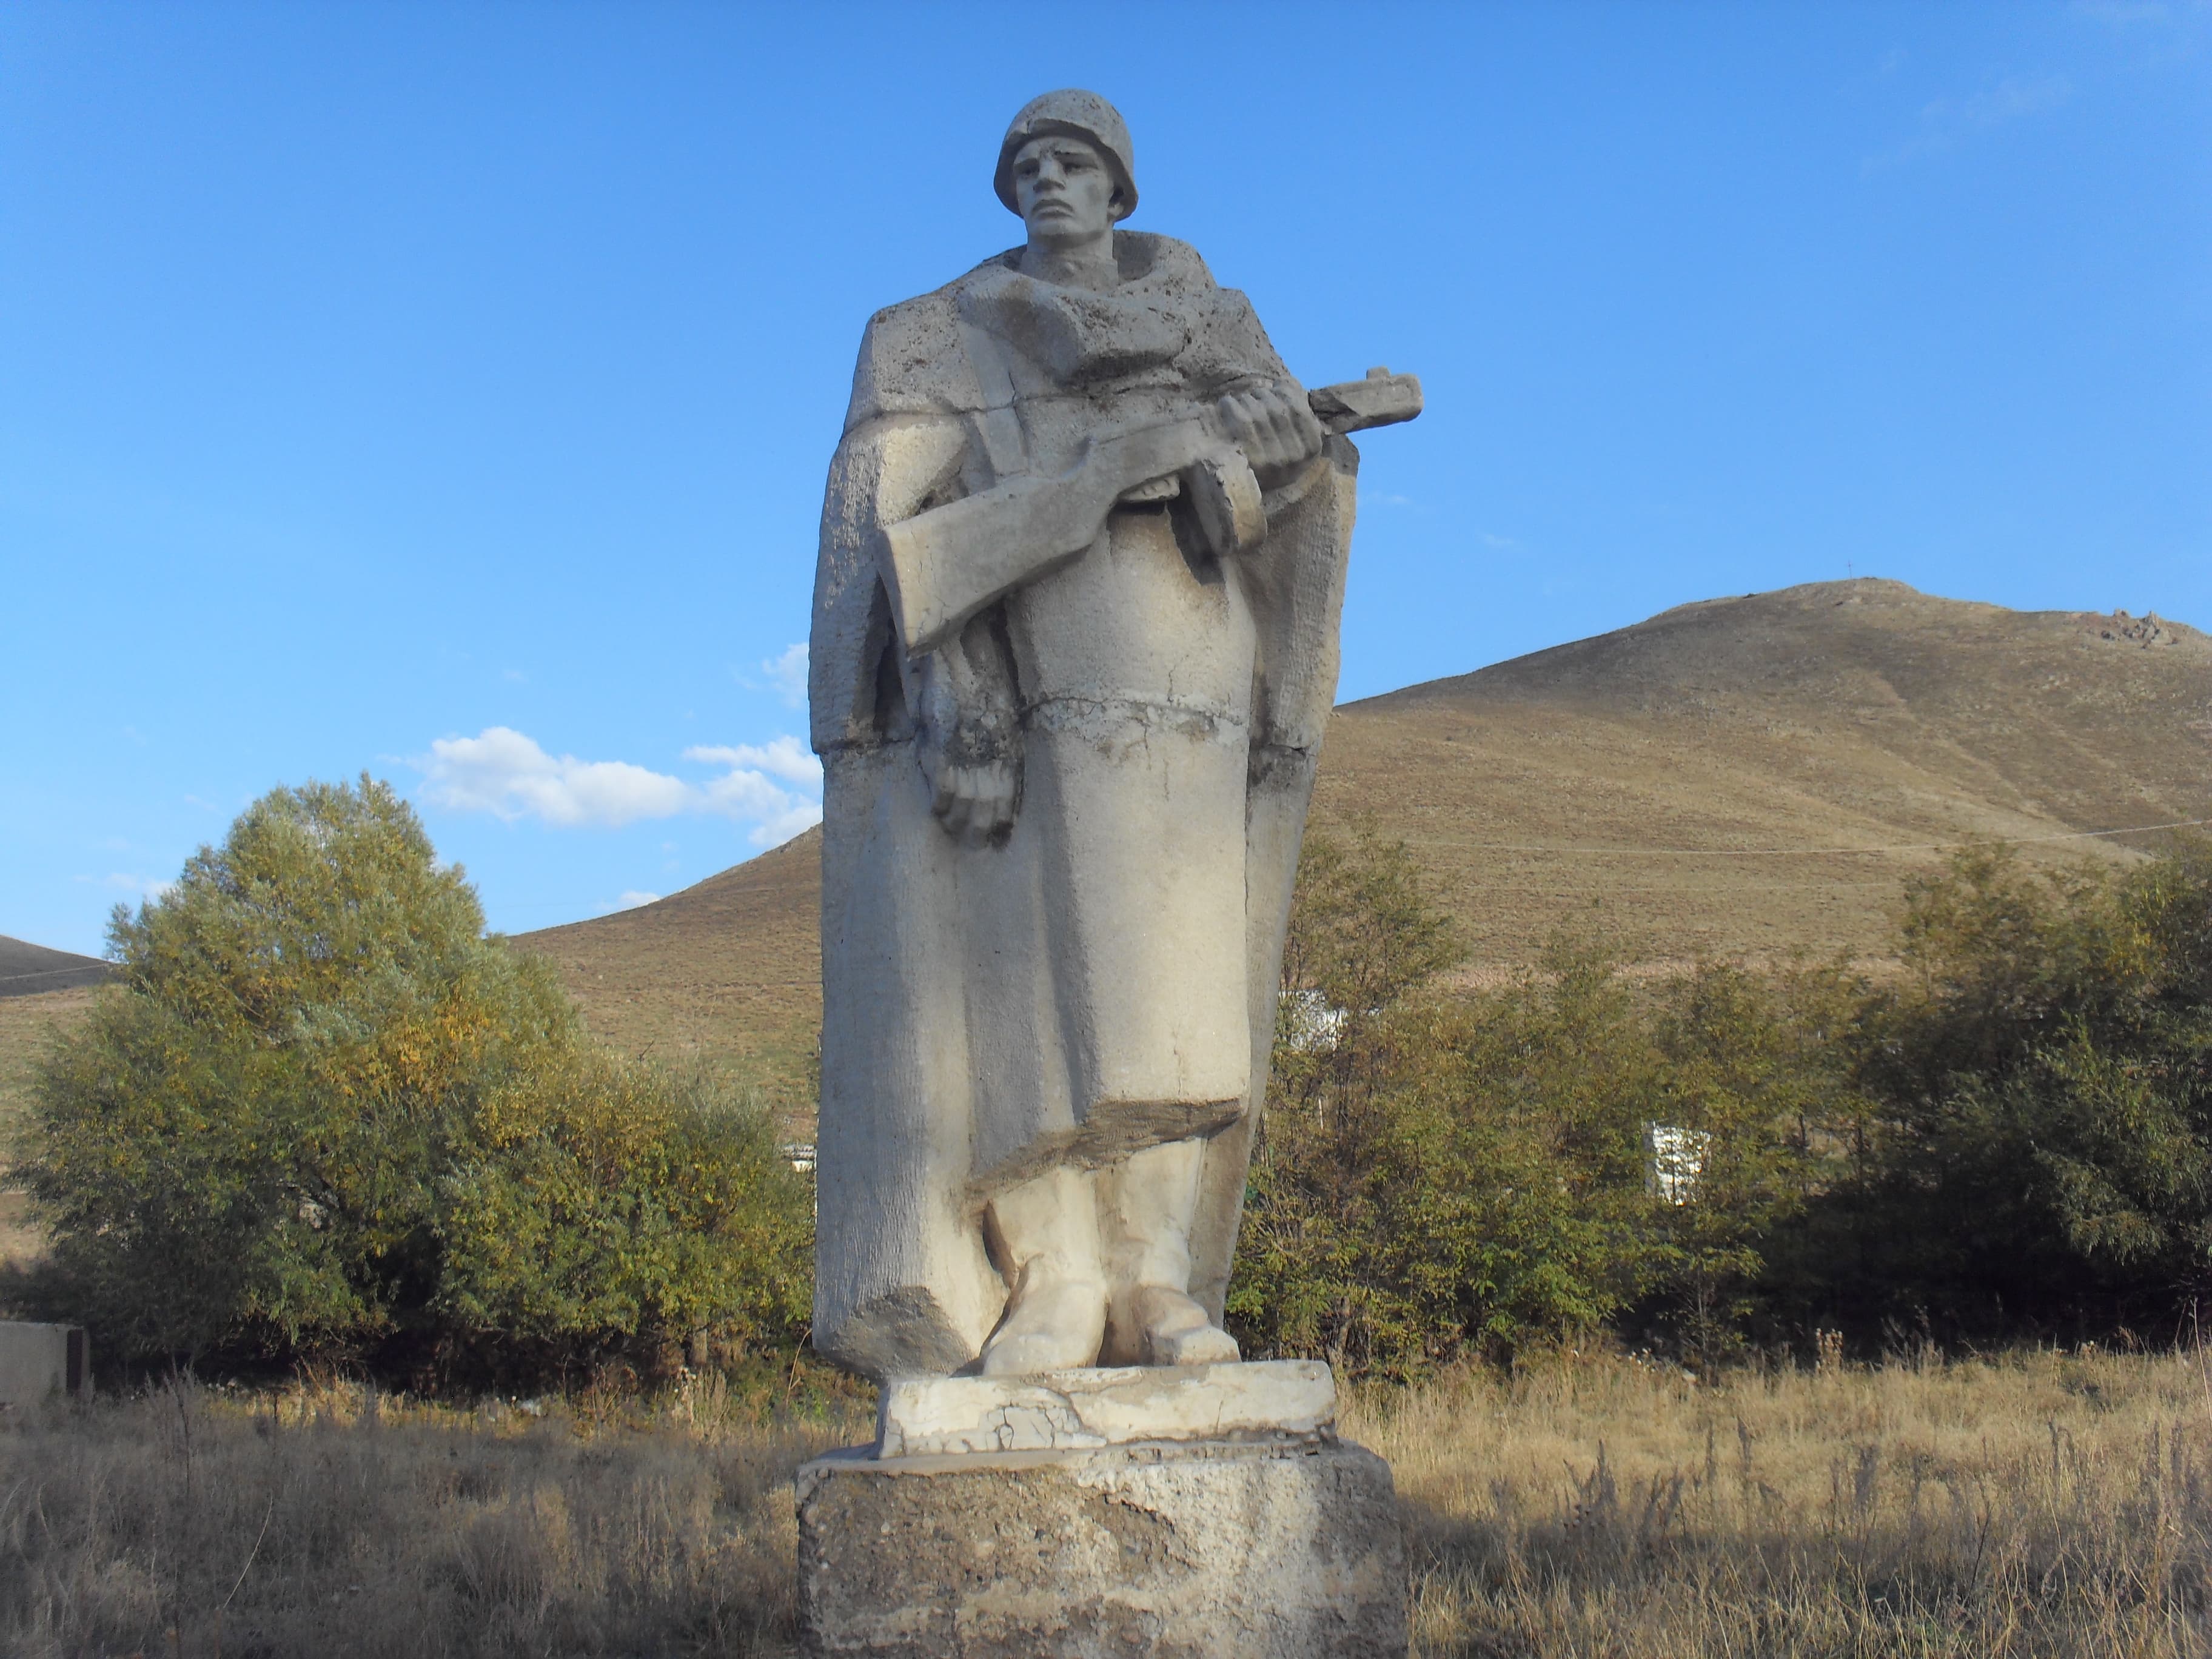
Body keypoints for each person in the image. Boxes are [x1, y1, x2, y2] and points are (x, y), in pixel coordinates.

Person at [808, 90, 1363, 1379]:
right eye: (1028, 166)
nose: (1048, 182)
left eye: (1076, 164)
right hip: (1021, 653)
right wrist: (946, 676)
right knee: (1021, 974)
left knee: (1176, 975)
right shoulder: (934, 333)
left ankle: (1157, 1279)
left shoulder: (1213, 322)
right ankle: (1052, 1274)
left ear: (1123, 189)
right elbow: (884, 523)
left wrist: (1275, 461)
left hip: (1186, 646)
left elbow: (1288, 486)